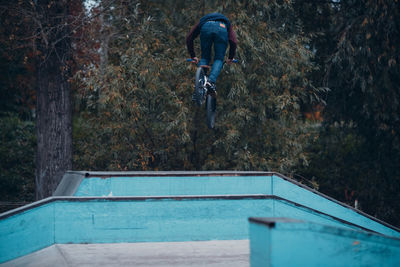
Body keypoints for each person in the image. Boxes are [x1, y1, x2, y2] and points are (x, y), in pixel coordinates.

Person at [186, 12, 237, 94]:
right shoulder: (226, 22)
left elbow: (189, 37)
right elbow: (233, 41)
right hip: (222, 28)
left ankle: (200, 82)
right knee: (219, 59)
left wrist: (193, 56)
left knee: (205, 58)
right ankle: (210, 81)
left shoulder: (202, 21)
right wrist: (231, 57)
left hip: (205, 27)